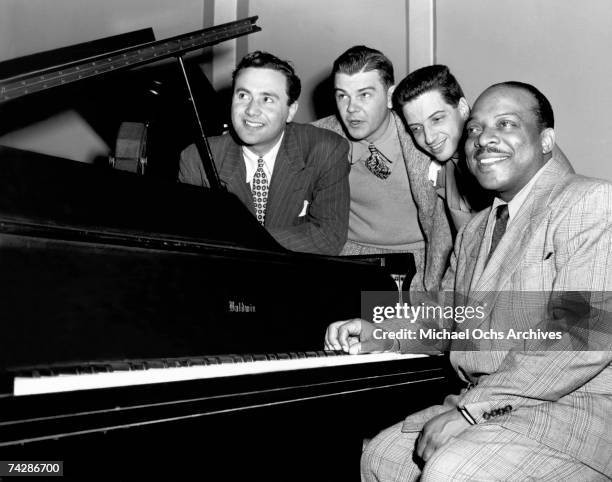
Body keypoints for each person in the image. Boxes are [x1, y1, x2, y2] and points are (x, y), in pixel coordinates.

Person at [325, 82, 612, 480]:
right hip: (499, 409)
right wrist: (378, 331)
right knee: (381, 457)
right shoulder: (476, 229)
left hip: (573, 416)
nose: (484, 138)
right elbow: (447, 319)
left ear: (547, 140)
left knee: (450, 471)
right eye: (474, 129)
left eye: (506, 123)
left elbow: (580, 338)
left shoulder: (592, 202)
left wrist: (468, 412)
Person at [179, 51, 350, 255]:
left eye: (267, 99)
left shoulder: (325, 149)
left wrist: (246, 239)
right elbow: (190, 239)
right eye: (243, 95)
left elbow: (329, 236)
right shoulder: (197, 158)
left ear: (291, 110)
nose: (251, 110)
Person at [313, 46, 453, 292]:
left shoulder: (423, 137)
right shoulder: (318, 137)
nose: (351, 108)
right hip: (344, 257)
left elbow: (444, 231)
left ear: (390, 96)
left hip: (418, 260)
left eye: (364, 94)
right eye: (342, 96)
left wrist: (429, 290)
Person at [394, 65, 492, 234]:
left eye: (437, 119)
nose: (429, 138)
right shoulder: (446, 167)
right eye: (417, 128)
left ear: (462, 108)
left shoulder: (495, 158)